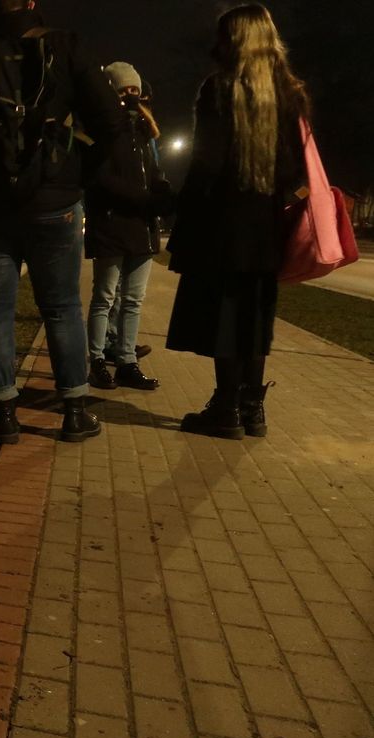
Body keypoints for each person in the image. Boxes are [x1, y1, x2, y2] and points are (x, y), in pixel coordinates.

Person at [0, 0, 125, 443]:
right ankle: (74, 412)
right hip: (55, 204)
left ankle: (4, 416)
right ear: (31, 3)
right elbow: (112, 122)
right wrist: (75, 175)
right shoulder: (66, 47)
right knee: (62, 306)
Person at [165, 4, 310, 439]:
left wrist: (181, 217)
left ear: (236, 39)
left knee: (223, 317)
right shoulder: (290, 94)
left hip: (220, 226)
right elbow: (294, 171)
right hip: (265, 228)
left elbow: (206, 165)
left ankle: (225, 407)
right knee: (254, 318)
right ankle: (253, 410)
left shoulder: (219, 88)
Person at [84, 62, 172, 391]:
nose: (131, 96)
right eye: (123, 91)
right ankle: (95, 361)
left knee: (133, 300)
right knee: (105, 297)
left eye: (135, 90)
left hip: (141, 227)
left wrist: (164, 196)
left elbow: (154, 176)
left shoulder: (144, 133)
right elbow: (101, 180)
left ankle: (126, 361)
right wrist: (145, 200)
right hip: (111, 226)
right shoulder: (100, 131)